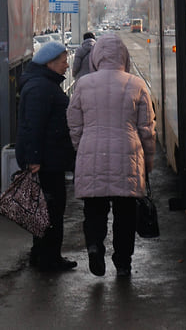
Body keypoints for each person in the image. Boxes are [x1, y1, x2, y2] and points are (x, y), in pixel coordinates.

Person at [66, 33, 156, 278]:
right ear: (124, 57)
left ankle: (95, 246)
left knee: (94, 210)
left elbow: (74, 123)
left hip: (91, 152)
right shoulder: (137, 85)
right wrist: (148, 161)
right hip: (128, 156)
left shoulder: (83, 84)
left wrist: (81, 147)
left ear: (96, 57)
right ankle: (123, 263)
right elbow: (147, 129)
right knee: (125, 214)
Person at [14, 41, 77, 272]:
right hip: (45, 162)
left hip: (48, 158)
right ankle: (49, 259)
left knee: (44, 208)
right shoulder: (41, 88)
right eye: (63, 61)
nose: (66, 65)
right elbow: (33, 126)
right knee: (51, 209)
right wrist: (34, 159)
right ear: (50, 63)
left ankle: (42, 254)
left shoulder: (43, 84)